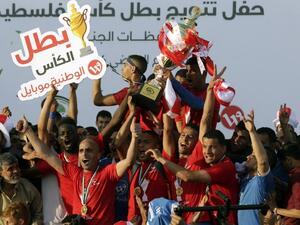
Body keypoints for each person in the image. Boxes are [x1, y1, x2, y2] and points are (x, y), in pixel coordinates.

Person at [148, 65, 239, 225]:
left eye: (191, 137)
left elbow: (206, 118)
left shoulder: (198, 156)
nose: (184, 139)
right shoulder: (173, 160)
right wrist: (164, 90)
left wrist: (210, 90)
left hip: (200, 220)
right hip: (178, 221)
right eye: (183, 135)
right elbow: (168, 129)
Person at [18, 114, 139, 225]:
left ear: (98, 155)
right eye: (81, 151)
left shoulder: (108, 172)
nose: (84, 154)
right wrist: (27, 130)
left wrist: (134, 137)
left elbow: (128, 161)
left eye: (89, 151)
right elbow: (46, 154)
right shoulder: (74, 172)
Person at [238, 110, 274, 225]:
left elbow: (262, 161)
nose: (248, 157)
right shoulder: (244, 178)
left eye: (253, 155)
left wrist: (252, 131)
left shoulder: (262, 179)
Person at [0, 153, 43, 225]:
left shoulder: (28, 187)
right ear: (1, 173)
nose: (16, 171)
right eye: (10, 169)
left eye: (17, 167)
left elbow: (39, 212)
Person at [276, 143, 300, 225]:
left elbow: (299, 212)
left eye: (282, 163)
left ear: (289, 160)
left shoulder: (297, 177)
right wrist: (280, 183)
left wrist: (275, 209)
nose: (283, 167)